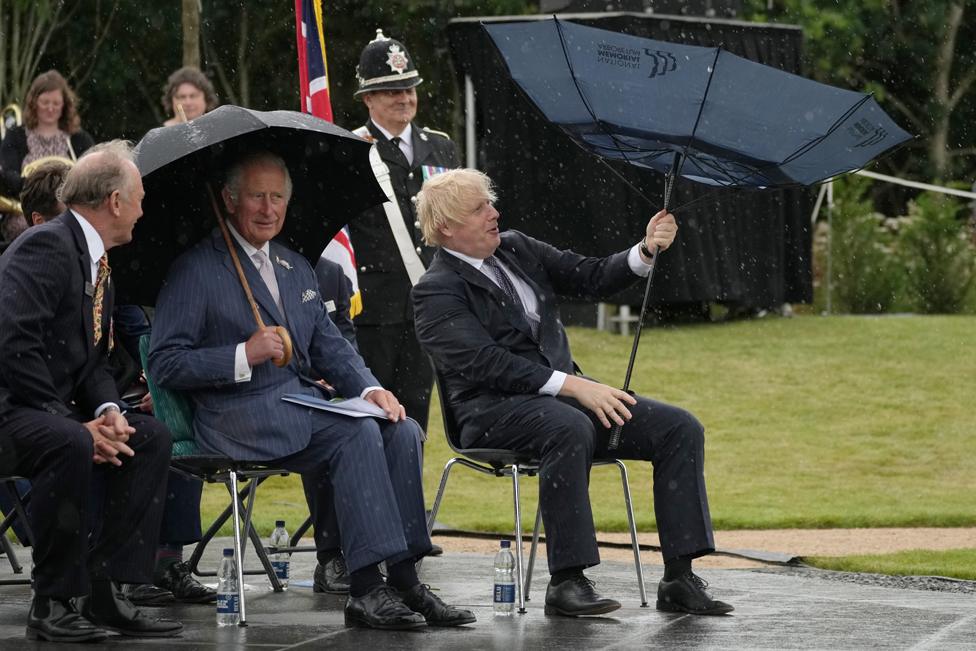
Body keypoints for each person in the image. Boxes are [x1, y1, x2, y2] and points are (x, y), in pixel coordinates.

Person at [148, 151, 475, 630]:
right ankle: (366, 589)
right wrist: (243, 353)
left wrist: (370, 390)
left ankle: (406, 579)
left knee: (398, 429)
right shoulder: (195, 268)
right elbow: (164, 362)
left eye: (277, 196)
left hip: (298, 405)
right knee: (353, 434)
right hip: (235, 417)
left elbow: (331, 348)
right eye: (256, 196)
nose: (268, 208)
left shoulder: (295, 264)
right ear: (229, 199)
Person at [412, 169, 734, 618]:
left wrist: (645, 250)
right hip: (491, 413)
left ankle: (679, 578)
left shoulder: (516, 247)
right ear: (446, 227)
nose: (494, 213)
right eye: (480, 208)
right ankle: (567, 582)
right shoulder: (435, 289)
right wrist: (575, 386)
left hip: (567, 404)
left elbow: (591, 276)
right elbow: (486, 363)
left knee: (679, 428)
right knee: (569, 426)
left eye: (491, 202)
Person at [0, 140, 183, 641]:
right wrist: (71, 421)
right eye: (140, 198)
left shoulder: (97, 259)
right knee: (71, 442)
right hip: (15, 407)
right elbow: (15, 345)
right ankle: (52, 600)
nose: (144, 210)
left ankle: (107, 590)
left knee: (147, 438)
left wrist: (107, 408)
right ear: (115, 202)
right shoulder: (47, 246)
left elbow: (96, 358)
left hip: (50, 408)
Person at [348, 29, 460, 433]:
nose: (405, 98)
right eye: (392, 90)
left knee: (416, 411)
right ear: (368, 98)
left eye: (409, 87)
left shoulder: (441, 147)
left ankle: (409, 496)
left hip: (428, 303)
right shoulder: (351, 150)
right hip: (374, 309)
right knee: (372, 413)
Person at [0, 70, 94, 197]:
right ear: (34, 103)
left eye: (56, 103)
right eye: (45, 102)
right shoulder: (15, 136)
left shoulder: (80, 139)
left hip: (69, 212)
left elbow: (93, 178)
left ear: (64, 105)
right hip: (23, 212)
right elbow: (8, 177)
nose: (50, 108)